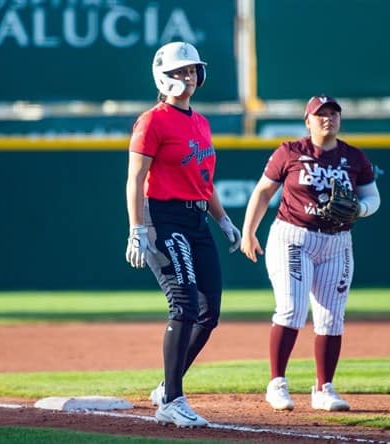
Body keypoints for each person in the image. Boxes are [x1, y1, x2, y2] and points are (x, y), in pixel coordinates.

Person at [125, 41, 241, 427]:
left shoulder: (201, 122)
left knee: (209, 313)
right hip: (164, 218)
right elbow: (136, 177)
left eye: (192, 70)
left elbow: (203, 181)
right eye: (180, 71)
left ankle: (166, 387)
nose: (188, 77)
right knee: (184, 305)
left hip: (197, 220)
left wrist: (223, 220)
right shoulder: (152, 121)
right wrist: (136, 229)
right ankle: (172, 400)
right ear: (163, 76)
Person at [240, 95, 380, 412]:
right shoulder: (290, 152)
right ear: (308, 121)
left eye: (333, 114)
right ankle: (277, 383)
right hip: (293, 236)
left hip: (337, 242)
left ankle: (324, 388)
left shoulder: (355, 157)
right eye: (320, 115)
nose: (327, 119)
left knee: (331, 317)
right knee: (291, 308)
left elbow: (373, 196)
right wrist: (249, 231)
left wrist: (361, 207)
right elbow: (263, 191)